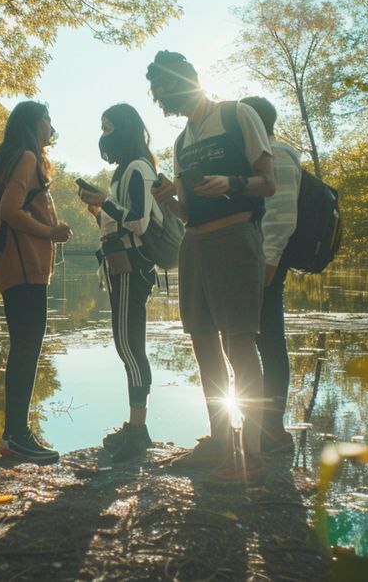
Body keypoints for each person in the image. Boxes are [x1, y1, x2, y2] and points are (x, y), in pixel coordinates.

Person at [147, 51, 276, 480]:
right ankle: (220, 440)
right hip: (195, 245)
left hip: (237, 239)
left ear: (191, 79)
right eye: (164, 101)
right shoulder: (181, 142)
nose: (171, 106)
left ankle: (251, 454)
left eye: (172, 93)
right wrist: (172, 202)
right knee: (202, 341)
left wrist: (233, 182)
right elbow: (189, 211)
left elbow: (268, 183)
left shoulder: (237, 115)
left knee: (239, 342)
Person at [0, 101, 72, 463]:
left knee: (24, 346)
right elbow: (9, 211)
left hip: (15, 267)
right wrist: (50, 233)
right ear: (34, 123)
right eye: (47, 119)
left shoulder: (12, 157)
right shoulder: (25, 157)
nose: (51, 125)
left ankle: (16, 434)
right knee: (26, 347)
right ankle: (16, 436)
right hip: (23, 267)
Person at [77, 103, 159, 463]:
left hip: (131, 268)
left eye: (108, 128)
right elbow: (117, 222)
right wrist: (99, 209)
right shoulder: (123, 173)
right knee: (125, 344)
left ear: (125, 129)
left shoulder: (140, 169)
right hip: (116, 264)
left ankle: (138, 430)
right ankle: (135, 425)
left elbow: (138, 223)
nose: (103, 136)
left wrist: (105, 203)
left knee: (129, 345)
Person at [239, 96, 300, 453]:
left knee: (270, 341)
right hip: (252, 261)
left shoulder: (278, 156)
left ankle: (273, 427)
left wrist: (268, 267)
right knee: (251, 340)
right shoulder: (258, 160)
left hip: (266, 265)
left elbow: (281, 219)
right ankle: (255, 422)